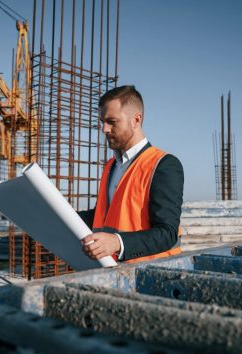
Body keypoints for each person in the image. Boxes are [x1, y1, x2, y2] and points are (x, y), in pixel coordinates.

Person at [79, 85, 184, 263]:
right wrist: (58, 215)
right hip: (111, 271)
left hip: (150, 274)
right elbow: (101, 216)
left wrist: (117, 243)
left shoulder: (163, 165)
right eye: (102, 122)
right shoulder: (111, 166)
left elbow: (167, 233)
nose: (104, 129)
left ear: (136, 120)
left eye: (112, 121)